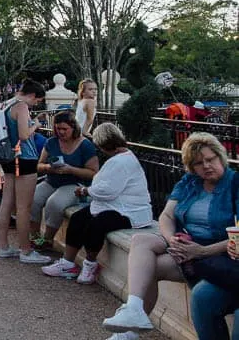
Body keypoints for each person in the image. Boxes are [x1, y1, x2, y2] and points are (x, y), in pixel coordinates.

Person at [101, 133, 238, 340]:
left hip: (218, 254)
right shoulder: (190, 182)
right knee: (142, 245)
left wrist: (200, 251)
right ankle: (133, 315)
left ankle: (130, 328)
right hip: (188, 247)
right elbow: (166, 215)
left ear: (221, 156)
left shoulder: (234, 184)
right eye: (199, 163)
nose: (206, 166)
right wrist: (172, 239)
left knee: (160, 273)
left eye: (210, 159)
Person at [41, 123, 152, 284]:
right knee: (78, 218)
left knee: (97, 225)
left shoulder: (120, 162)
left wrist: (86, 191)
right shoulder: (121, 158)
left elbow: (108, 190)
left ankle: (90, 264)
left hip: (129, 211)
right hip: (115, 205)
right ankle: (67, 262)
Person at [0, 79, 51, 264]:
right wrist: (35, 124)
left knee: (7, 202)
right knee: (24, 208)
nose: (36, 104)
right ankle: (25, 250)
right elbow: (24, 135)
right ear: (33, 95)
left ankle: (3, 246)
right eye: (37, 101)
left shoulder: (6, 103)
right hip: (24, 158)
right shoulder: (21, 107)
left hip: (8, 158)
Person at [30, 110, 99, 250]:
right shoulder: (51, 142)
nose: (61, 132)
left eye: (64, 129)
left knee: (54, 203)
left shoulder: (85, 145)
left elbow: (93, 173)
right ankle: (34, 236)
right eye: (58, 128)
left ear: (73, 128)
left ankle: (47, 240)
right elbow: (39, 165)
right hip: (52, 180)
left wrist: (71, 169)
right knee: (33, 198)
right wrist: (49, 167)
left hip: (75, 183)